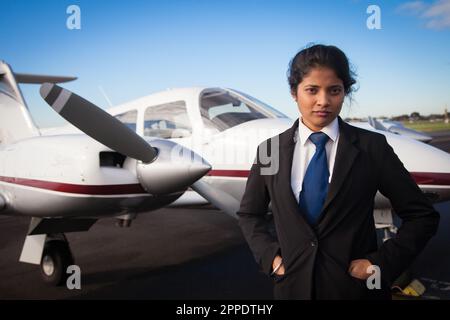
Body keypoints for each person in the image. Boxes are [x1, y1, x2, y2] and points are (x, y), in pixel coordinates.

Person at [237, 44, 440, 300]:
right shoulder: (270, 151)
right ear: (293, 92)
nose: (323, 101)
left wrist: (379, 264)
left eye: (334, 90)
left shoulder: (371, 147)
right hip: (292, 289)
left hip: (355, 291)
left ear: (345, 92)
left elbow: (422, 215)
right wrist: (271, 259)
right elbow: (249, 214)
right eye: (312, 90)